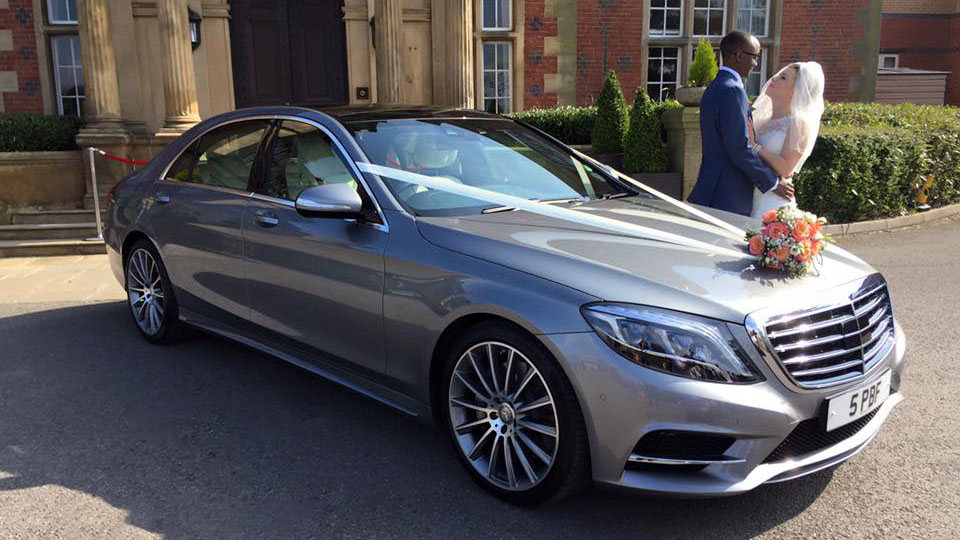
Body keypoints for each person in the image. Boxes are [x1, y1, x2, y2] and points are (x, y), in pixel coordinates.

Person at [687, 30, 794, 217]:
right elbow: (739, 148)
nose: (756, 63)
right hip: (727, 195)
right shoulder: (733, 90)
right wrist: (773, 183)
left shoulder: (715, 87)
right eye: (754, 57)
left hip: (712, 188)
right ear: (738, 56)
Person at [749, 61, 826, 219]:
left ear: (795, 91)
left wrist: (755, 147)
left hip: (772, 200)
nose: (774, 78)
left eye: (783, 78)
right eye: (778, 74)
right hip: (751, 193)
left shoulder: (799, 123)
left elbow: (785, 168)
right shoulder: (762, 119)